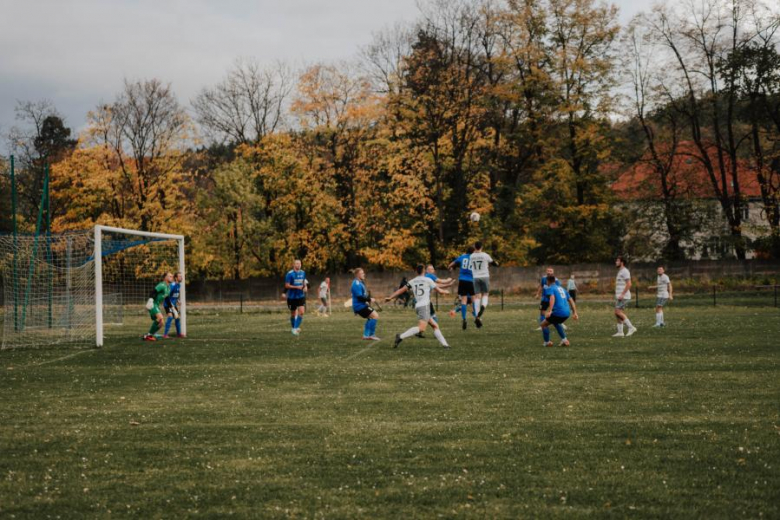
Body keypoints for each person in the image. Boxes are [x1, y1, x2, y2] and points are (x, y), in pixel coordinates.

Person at [385, 264, 451, 349]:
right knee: (421, 328)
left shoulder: (412, 281)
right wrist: (446, 291)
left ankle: (445, 345)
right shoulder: (428, 280)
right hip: (424, 306)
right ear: (424, 271)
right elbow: (439, 291)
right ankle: (400, 336)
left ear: (416, 271)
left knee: (434, 325)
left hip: (418, 306)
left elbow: (400, 290)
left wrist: (390, 297)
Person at [541, 274, 579, 347]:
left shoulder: (551, 288)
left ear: (548, 281)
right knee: (556, 322)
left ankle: (547, 342)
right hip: (567, 312)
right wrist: (575, 313)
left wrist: (550, 310)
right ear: (555, 281)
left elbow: (552, 298)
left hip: (558, 312)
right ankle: (564, 340)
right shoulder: (562, 289)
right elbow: (571, 300)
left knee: (543, 324)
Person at [469, 242, 498, 328]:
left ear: (475, 247)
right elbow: (493, 263)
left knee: (477, 296)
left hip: (475, 277)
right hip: (484, 276)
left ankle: (477, 316)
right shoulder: (485, 255)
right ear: (481, 247)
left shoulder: (471, 256)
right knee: (485, 294)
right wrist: (496, 263)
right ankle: (483, 306)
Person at [448, 246, 477, 330]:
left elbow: (450, 265)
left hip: (462, 281)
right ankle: (476, 317)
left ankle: (464, 319)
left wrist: (450, 268)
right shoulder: (474, 258)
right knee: (473, 300)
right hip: (471, 281)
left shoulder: (462, 257)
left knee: (463, 301)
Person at [351, 268, 380, 341]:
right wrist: (369, 299)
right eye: (362, 273)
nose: (364, 274)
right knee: (375, 316)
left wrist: (366, 300)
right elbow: (359, 297)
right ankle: (371, 335)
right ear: (357, 274)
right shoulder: (356, 284)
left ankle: (366, 335)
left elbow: (362, 296)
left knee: (371, 318)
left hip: (361, 305)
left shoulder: (360, 283)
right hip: (359, 306)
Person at [144, 272, 172, 342]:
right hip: (153, 304)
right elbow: (153, 292)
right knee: (160, 318)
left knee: (161, 323)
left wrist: (172, 308)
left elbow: (167, 299)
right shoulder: (162, 285)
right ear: (165, 277)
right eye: (170, 276)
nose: (172, 277)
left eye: (172, 276)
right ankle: (148, 335)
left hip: (157, 305)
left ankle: (150, 335)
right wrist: (150, 300)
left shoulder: (168, 288)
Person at [613, 255, 637, 337]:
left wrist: (622, 294)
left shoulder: (625, 271)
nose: (616, 262)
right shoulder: (620, 271)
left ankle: (631, 327)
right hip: (619, 296)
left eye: (617, 261)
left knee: (618, 312)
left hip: (624, 296)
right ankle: (620, 332)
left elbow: (629, 284)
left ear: (621, 262)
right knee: (617, 313)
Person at [284, 259, 307, 336]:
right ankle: (294, 327)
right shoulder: (289, 274)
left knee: (302, 312)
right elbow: (287, 285)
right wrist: (297, 287)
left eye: (300, 263)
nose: (299, 265)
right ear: (294, 265)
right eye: (297, 263)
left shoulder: (303, 272)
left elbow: (303, 282)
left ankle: (295, 328)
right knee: (293, 314)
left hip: (300, 296)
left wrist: (305, 287)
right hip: (292, 297)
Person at [163, 272, 185, 338]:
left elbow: (175, 295)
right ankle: (165, 334)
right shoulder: (172, 285)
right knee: (170, 317)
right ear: (176, 278)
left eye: (181, 276)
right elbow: (167, 295)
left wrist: (177, 300)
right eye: (179, 276)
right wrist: (170, 304)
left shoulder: (178, 285)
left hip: (173, 305)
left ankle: (179, 334)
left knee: (177, 318)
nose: (181, 278)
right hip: (168, 304)